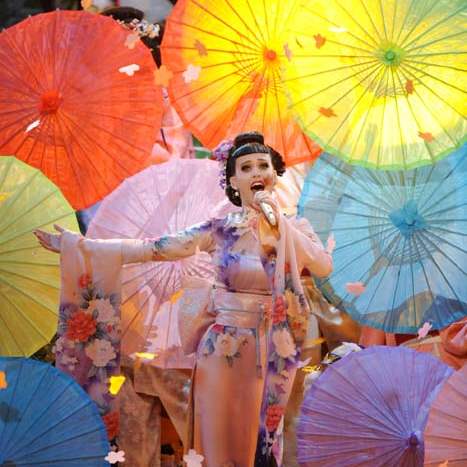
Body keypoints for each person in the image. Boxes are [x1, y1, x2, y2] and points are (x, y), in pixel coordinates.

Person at [34, 131, 332, 466]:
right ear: (234, 181)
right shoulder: (220, 229)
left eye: (263, 165)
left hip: (273, 349)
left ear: (274, 175)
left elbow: (322, 265)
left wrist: (281, 228)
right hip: (223, 349)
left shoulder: (295, 227)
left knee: (260, 442)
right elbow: (154, 249)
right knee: (218, 441)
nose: (256, 172)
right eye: (246, 167)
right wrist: (81, 246)